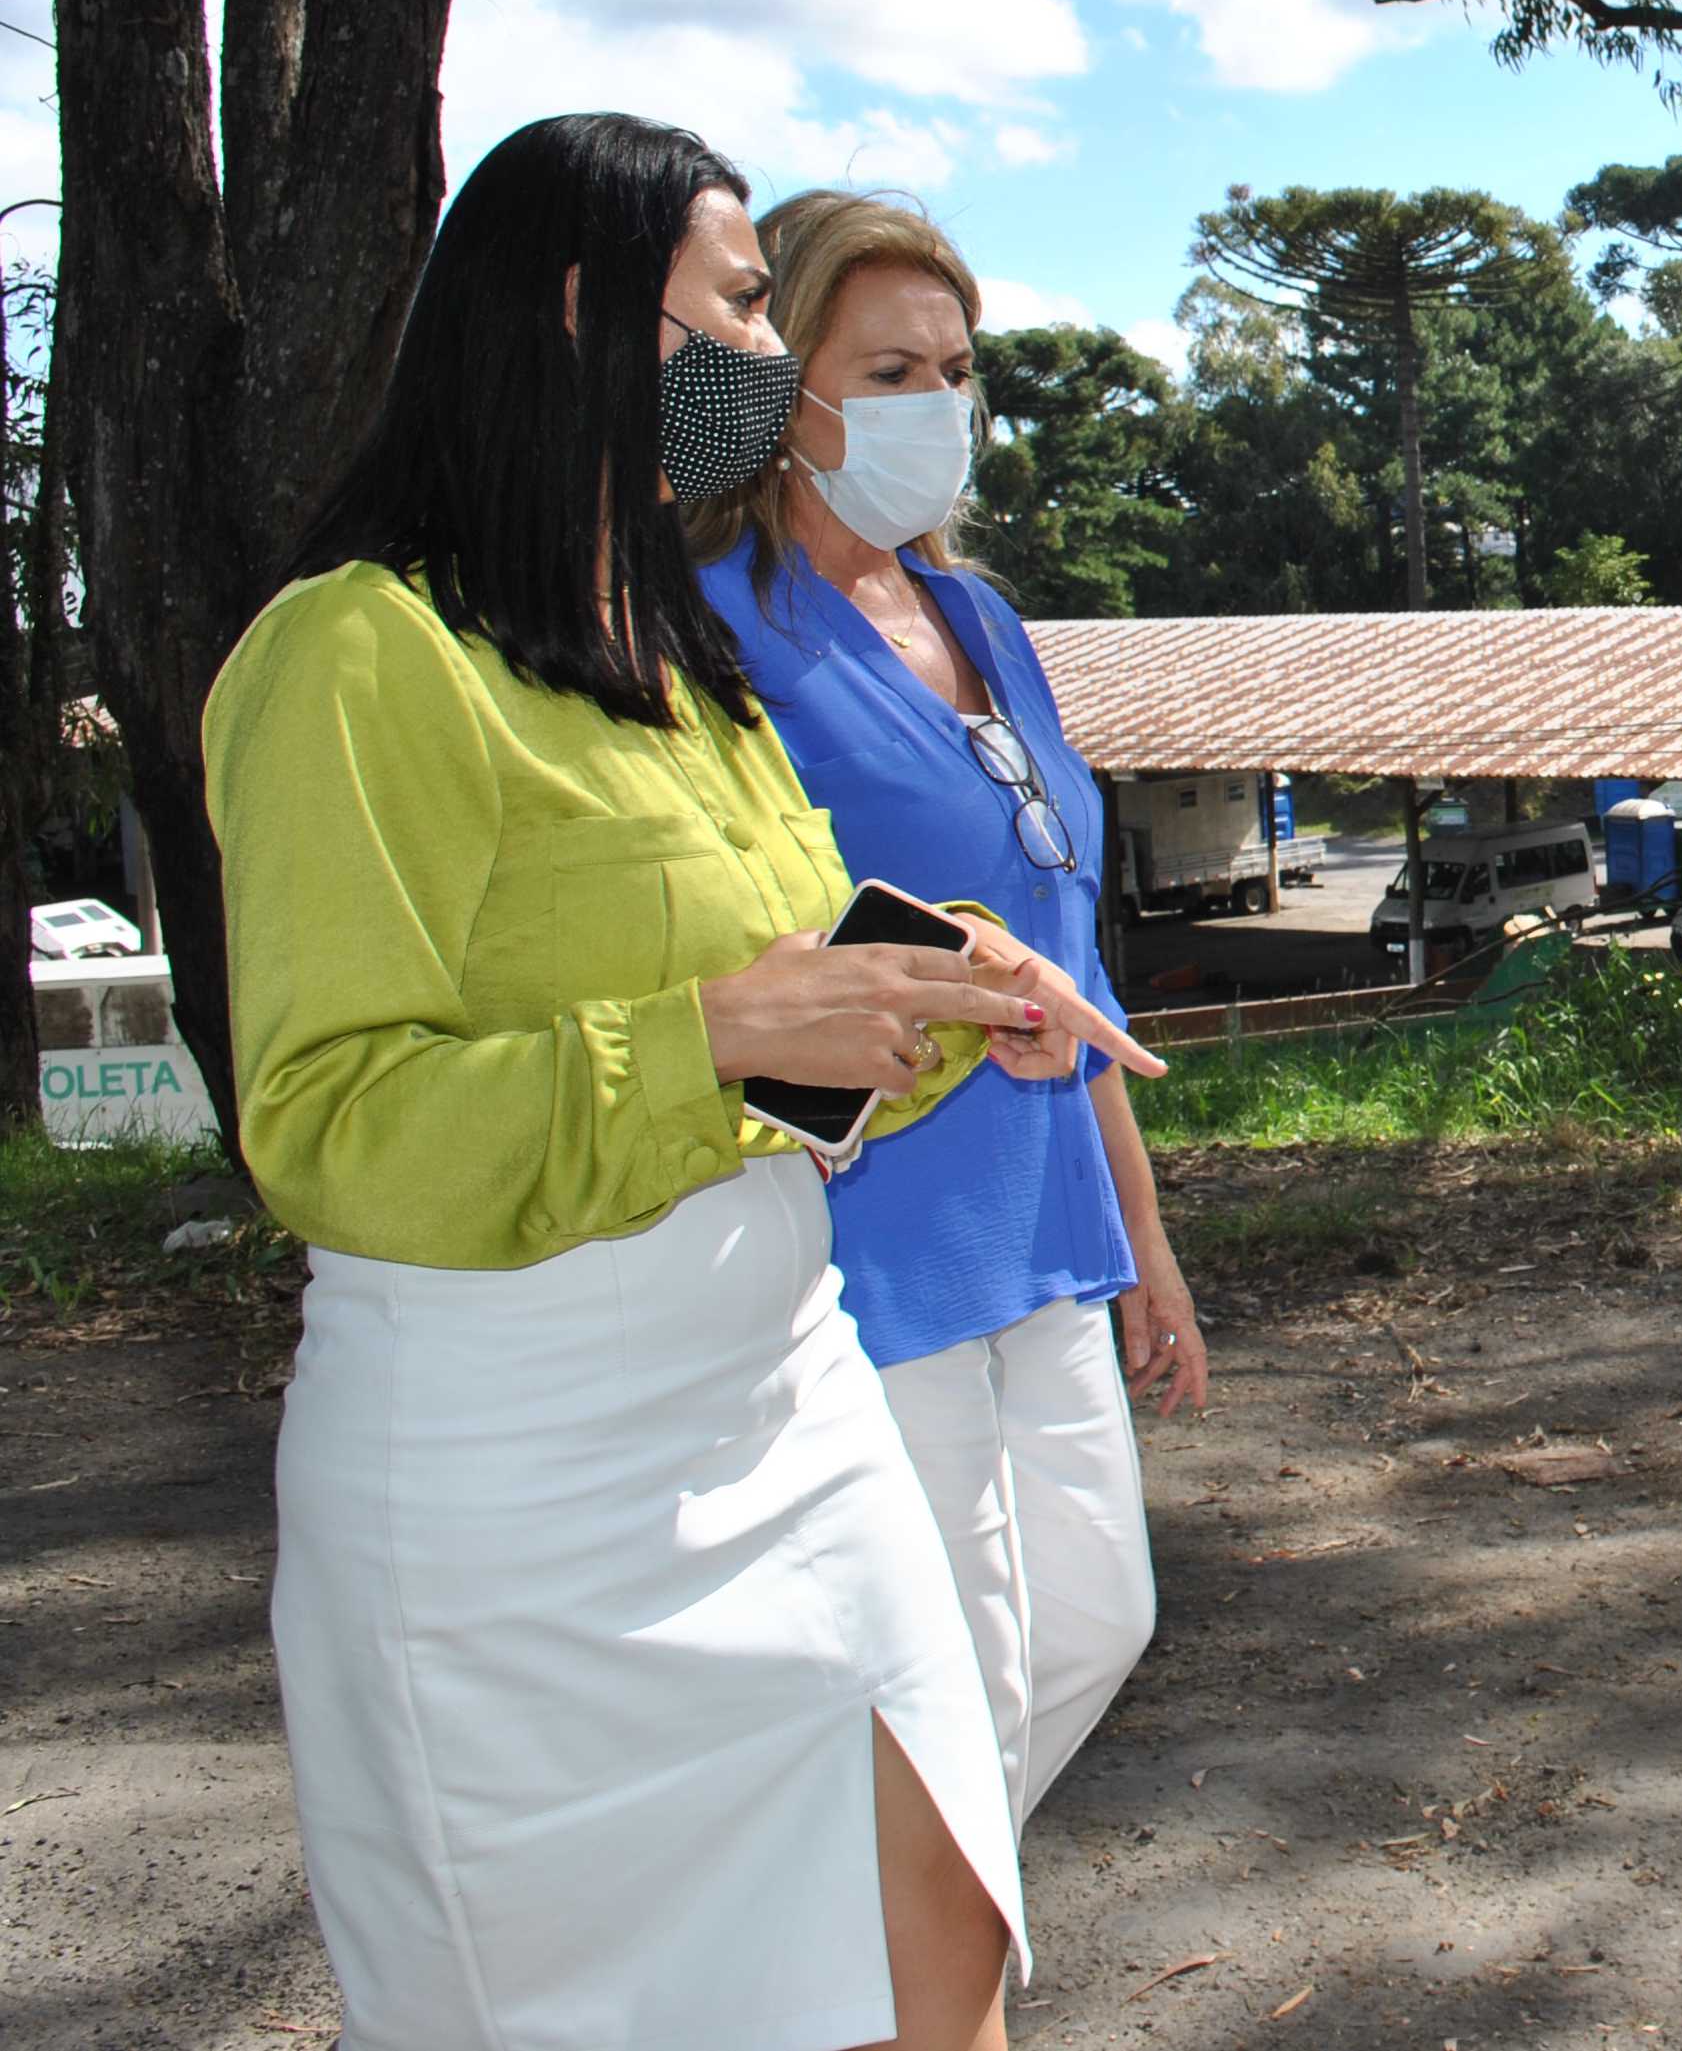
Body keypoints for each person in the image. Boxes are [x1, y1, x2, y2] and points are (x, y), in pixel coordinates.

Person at [209, 113, 1160, 2051]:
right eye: (742, 307)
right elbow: (328, 1127)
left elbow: (797, 1019)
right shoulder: (356, 655)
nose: (763, 357)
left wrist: (935, 997)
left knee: (944, 1959)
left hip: (787, 1419)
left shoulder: (668, 660)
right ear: (584, 316)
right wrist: (713, 1035)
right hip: (521, 1497)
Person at [689, 189, 1203, 1829]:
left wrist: (1145, 1238)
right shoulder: (715, 626)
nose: (940, 404)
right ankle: (896, 1992)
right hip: (868, 1237)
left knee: (1094, 1625)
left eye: (957, 367)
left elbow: (1067, 957)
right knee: (951, 1680)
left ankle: (864, 1966)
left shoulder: (981, 618)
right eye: (891, 365)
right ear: (784, 385)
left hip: (1045, 1224)